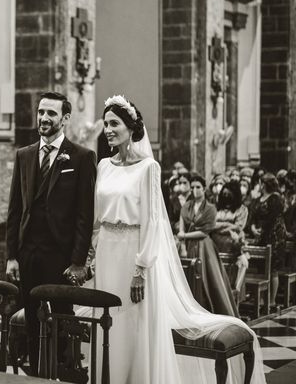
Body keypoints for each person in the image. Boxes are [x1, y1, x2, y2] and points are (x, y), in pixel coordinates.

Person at [91, 94, 266, 384]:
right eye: (105, 124)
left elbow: (152, 222)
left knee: (133, 323)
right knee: (108, 320)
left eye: (114, 123)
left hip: (133, 255)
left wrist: (141, 269)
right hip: (107, 252)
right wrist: (91, 252)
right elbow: (97, 217)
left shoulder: (148, 167)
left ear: (131, 128)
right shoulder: (104, 166)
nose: (108, 129)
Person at [5, 91, 97, 375]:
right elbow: (14, 211)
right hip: (28, 254)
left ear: (65, 118)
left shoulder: (82, 158)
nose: (44, 118)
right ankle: (35, 375)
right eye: (41, 112)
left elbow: (85, 215)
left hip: (61, 256)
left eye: (52, 114)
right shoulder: (24, 155)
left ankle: (63, 373)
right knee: (33, 321)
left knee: (61, 319)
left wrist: (79, 261)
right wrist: (12, 256)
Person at [176, 174, 238, 316]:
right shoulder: (186, 206)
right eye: (192, 187)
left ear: (204, 189)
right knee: (187, 278)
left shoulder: (210, 208)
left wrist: (184, 236)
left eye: (198, 187)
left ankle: (208, 310)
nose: (195, 190)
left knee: (208, 281)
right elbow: (181, 225)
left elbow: (205, 232)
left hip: (204, 247)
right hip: (187, 245)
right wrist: (183, 242)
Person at [249, 173, 288, 310]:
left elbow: (272, 218)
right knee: (262, 267)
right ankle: (261, 299)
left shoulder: (276, 198)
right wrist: (253, 228)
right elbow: (253, 216)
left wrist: (262, 230)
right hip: (261, 235)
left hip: (274, 236)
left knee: (273, 269)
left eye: (260, 183)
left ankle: (271, 300)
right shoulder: (258, 199)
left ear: (264, 184)